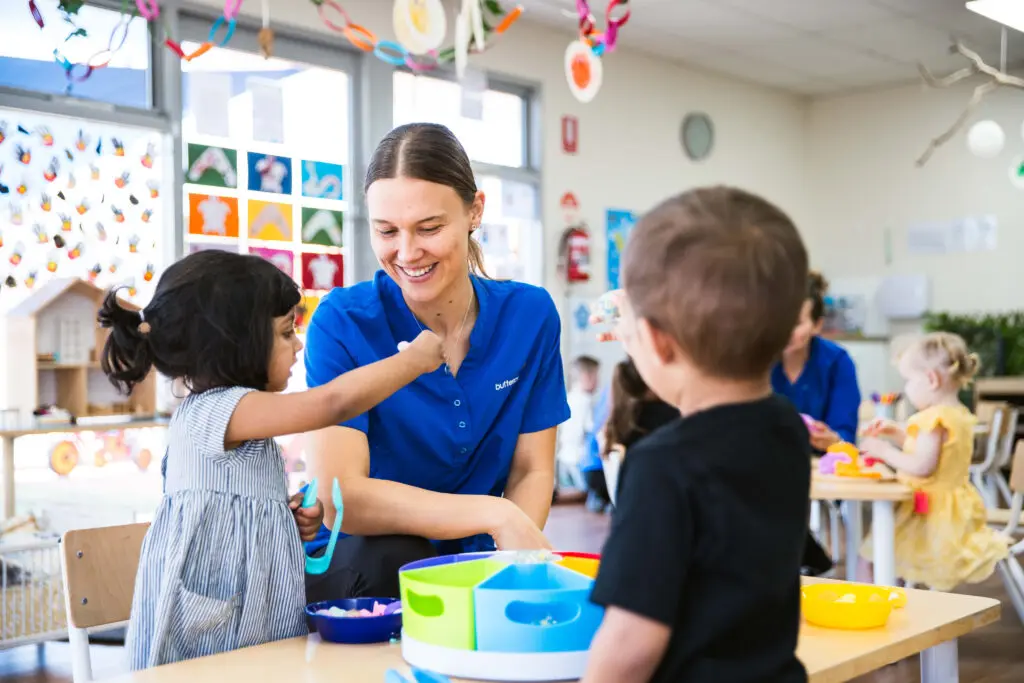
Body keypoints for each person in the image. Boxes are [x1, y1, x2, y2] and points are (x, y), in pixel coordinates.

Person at [102, 250, 443, 670]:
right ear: (234, 342)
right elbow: (331, 402)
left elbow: (232, 521)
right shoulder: (218, 410)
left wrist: (284, 519)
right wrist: (411, 362)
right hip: (209, 640)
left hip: (250, 628)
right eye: (286, 333)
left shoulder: (243, 421)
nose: (298, 344)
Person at [302, 122, 570, 602]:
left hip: (474, 556)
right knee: (394, 558)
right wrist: (494, 514)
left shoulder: (530, 316)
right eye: (386, 231)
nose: (407, 253)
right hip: (366, 567)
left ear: (475, 211)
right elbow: (341, 499)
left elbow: (532, 470)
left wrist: (506, 555)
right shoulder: (342, 323)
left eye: (429, 228)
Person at [584, 186, 811, 683]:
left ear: (660, 344)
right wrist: (639, 329)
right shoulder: (785, 428)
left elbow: (630, 642)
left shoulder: (661, 465)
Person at [859, 332, 1010, 590]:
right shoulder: (958, 414)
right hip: (949, 508)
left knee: (873, 557)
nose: (905, 389)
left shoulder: (933, 418)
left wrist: (884, 451)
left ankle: (880, 608)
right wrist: (896, 432)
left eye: (908, 381)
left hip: (928, 511)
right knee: (887, 559)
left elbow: (922, 466)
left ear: (931, 379)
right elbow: (931, 451)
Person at [772, 271, 860, 451]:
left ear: (817, 326)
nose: (785, 329)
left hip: (821, 468)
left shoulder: (837, 362)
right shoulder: (754, 360)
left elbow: (845, 435)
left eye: (796, 323)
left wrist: (834, 439)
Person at [556, 355, 600, 495]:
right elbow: (591, 430)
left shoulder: (569, 397)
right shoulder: (586, 401)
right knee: (584, 498)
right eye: (596, 376)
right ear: (586, 377)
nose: (598, 382)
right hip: (580, 460)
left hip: (564, 458)